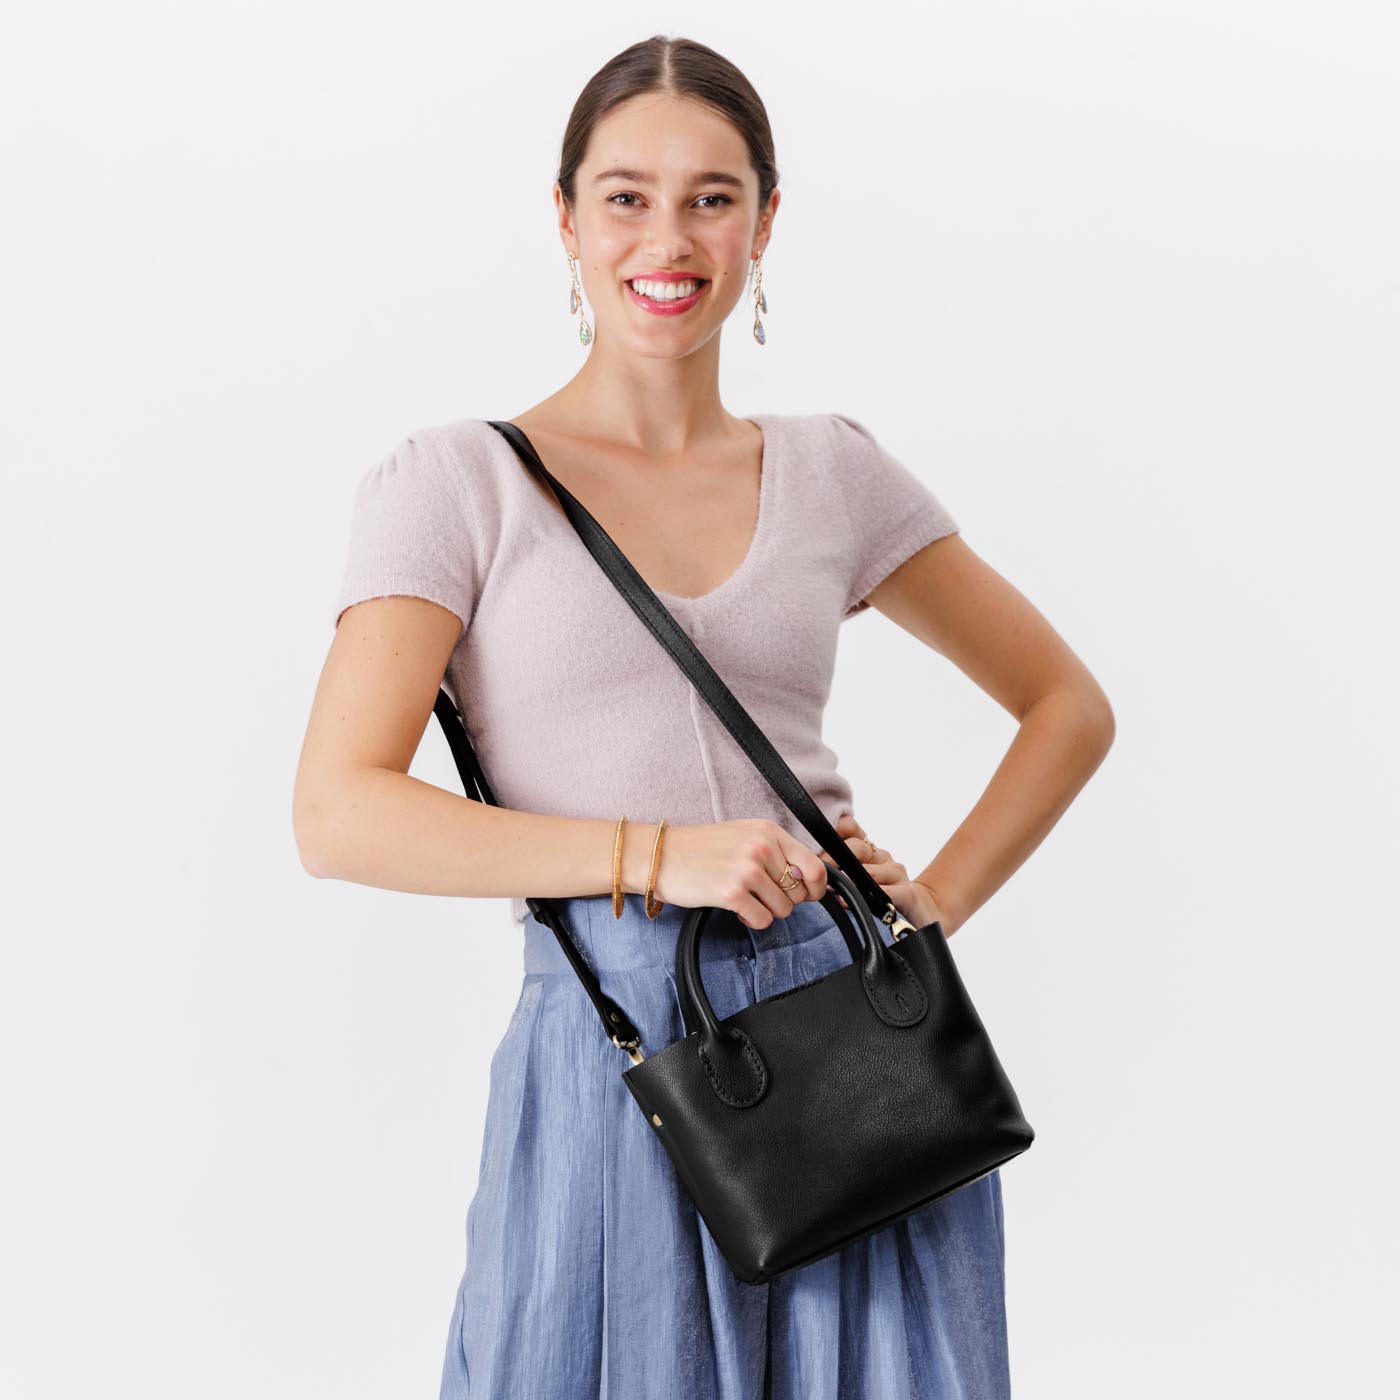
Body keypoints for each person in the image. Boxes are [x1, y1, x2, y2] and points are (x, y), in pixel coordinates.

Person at [293, 33, 1114, 1400]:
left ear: (765, 222)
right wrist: (658, 856)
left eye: (711, 198)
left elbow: (1066, 706)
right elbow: (338, 813)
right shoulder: (456, 484)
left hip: (855, 1056)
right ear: (565, 219)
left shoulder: (833, 473)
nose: (666, 240)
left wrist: (933, 904)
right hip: (618, 1054)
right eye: (625, 196)